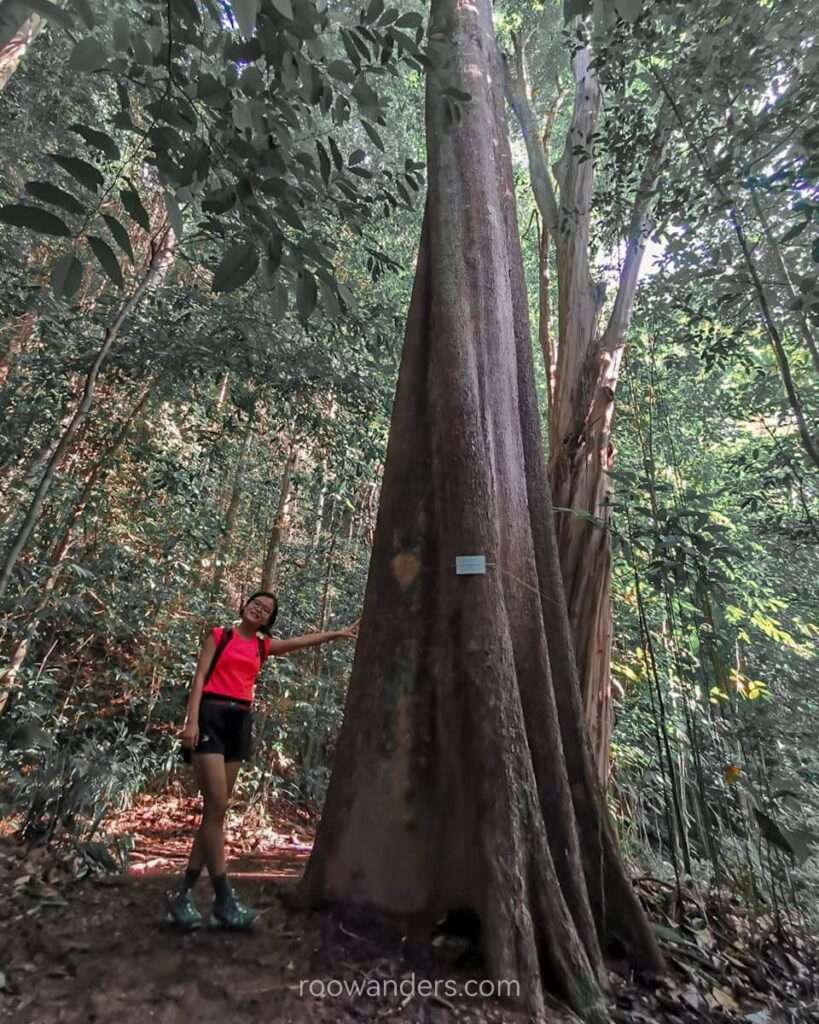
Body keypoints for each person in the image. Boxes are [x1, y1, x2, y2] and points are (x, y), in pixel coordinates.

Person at [166, 589, 358, 930]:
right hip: (210, 715)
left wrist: (337, 633)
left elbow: (301, 642)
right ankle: (224, 897)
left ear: (270, 620)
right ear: (244, 606)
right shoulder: (219, 636)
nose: (259, 610)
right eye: (256, 604)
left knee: (216, 812)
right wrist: (191, 721)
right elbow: (199, 678)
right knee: (215, 806)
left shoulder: (262, 646)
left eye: (267, 610)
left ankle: (183, 896)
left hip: (240, 721)